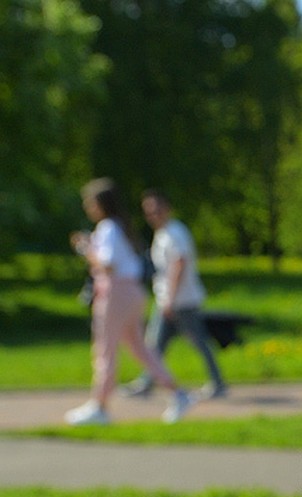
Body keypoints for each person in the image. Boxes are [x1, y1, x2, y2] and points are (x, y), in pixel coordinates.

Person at [66, 178, 192, 426]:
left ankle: (100, 405)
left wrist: (85, 249)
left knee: (105, 349)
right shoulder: (119, 227)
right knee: (139, 348)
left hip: (116, 293)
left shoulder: (108, 227)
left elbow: (108, 265)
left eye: (90, 203)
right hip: (131, 293)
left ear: (101, 204)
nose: (88, 208)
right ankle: (177, 393)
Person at [122, 188, 227, 400]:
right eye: (149, 211)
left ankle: (217, 383)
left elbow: (179, 264)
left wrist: (170, 297)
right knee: (156, 344)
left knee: (197, 342)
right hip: (168, 300)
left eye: (157, 209)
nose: (153, 215)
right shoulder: (163, 234)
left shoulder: (175, 233)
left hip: (181, 301)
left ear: (167, 208)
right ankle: (147, 381)